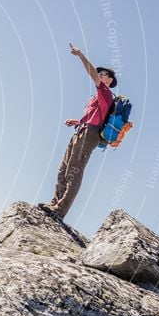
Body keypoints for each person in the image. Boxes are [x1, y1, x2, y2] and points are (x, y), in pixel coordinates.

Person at [39, 42, 118, 220]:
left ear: (110, 80)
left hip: (90, 134)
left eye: (103, 74)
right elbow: (92, 116)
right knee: (63, 169)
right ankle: (54, 202)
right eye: (100, 73)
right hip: (81, 130)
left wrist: (80, 55)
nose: (100, 75)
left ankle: (60, 210)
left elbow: (90, 71)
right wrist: (77, 121)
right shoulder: (96, 97)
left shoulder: (105, 92)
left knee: (74, 170)